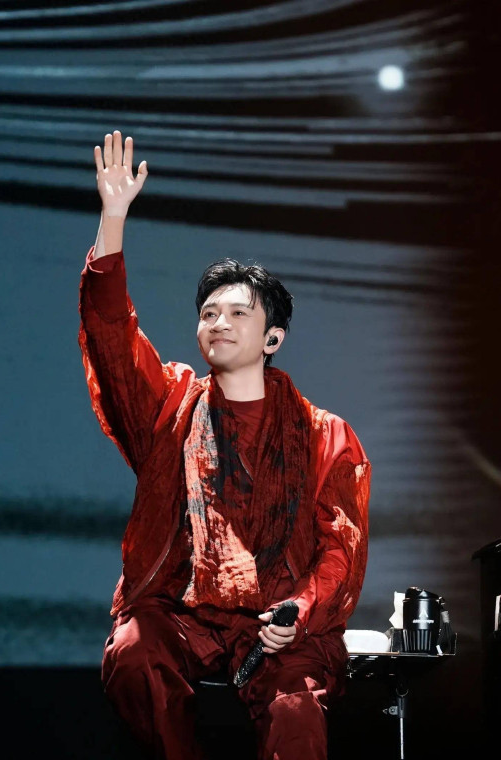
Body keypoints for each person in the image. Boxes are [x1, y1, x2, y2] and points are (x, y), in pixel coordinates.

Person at [78, 131, 371, 760]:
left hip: (277, 622)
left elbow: (339, 548)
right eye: (208, 313)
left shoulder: (326, 435)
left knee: (296, 710)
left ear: (273, 338)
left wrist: (298, 611)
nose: (218, 323)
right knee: (134, 653)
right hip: (183, 612)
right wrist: (113, 219)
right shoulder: (169, 408)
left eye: (238, 313)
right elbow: (113, 341)